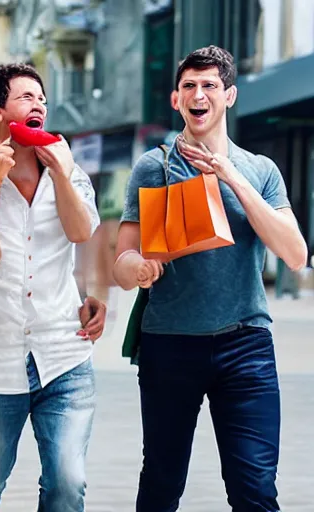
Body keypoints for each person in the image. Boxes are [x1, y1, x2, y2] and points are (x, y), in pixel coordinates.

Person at [114, 46, 307, 511]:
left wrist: (231, 177)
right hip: (170, 344)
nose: (199, 94)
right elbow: (120, 260)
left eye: (210, 86)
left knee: (255, 489)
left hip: (246, 347)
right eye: (189, 86)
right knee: (161, 482)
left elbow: (296, 254)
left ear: (230, 96)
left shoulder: (261, 170)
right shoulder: (153, 168)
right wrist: (137, 268)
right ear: (176, 99)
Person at [0, 63, 105, 512]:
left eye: (42, 100)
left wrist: (63, 174)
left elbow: (81, 232)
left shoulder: (70, 172)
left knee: (68, 483)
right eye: (26, 98)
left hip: (63, 356)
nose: (40, 106)